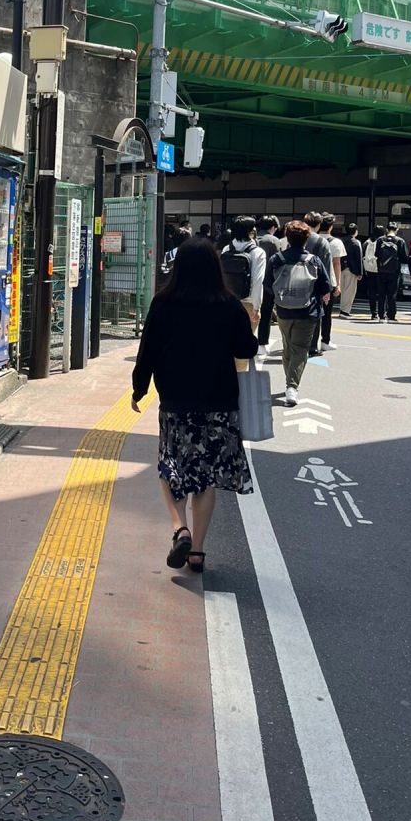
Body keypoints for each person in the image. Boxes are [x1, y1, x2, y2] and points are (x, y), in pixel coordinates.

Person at [131, 239, 257, 573]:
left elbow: (148, 351)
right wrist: (252, 323)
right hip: (219, 402)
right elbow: (247, 349)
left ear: (178, 268)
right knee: (206, 477)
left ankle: (179, 528)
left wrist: (138, 388)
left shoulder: (164, 302)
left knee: (171, 467)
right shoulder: (228, 304)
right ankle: (197, 551)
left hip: (176, 401)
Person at [265, 220, 332, 406]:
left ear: (287, 237)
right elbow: (325, 286)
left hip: (283, 310)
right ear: (306, 239)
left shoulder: (277, 259)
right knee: (301, 349)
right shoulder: (313, 260)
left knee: (288, 347)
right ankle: (292, 386)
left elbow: (268, 284)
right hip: (307, 311)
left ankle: (290, 382)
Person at [220, 216, 266, 333]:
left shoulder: (227, 249)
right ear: (249, 231)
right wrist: (256, 307)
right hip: (248, 301)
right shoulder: (258, 252)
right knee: (246, 341)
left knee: (229, 339)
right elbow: (258, 281)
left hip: (227, 300)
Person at [304, 212, 332, 356]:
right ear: (319, 224)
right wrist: (326, 289)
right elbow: (325, 267)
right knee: (315, 314)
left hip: (296, 281)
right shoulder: (322, 242)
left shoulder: (295, 236)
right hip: (314, 282)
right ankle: (312, 347)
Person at [315, 213, 343, 352]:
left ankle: (311, 342)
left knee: (313, 311)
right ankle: (325, 341)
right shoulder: (336, 242)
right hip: (329, 281)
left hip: (312, 279)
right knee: (327, 313)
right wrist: (338, 284)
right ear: (331, 227)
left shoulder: (312, 239)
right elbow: (337, 264)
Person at [255, 215, 283, 358]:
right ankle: (261, 343)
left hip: (249, 283)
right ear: (272, 227)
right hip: (267, 284)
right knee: (265, 314)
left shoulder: (252, 238)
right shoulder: (273, 241)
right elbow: (278, 264)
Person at [374, 222, 408, 322]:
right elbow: (404, 258)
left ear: (387, 229)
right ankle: (391, 315)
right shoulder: (400, 241)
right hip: (394, 271)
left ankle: (381, 315)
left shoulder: (380, 240)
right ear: (396, 230)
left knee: (381, 293)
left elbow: (376, 254)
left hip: (381, 270)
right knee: (392, 294)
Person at [338, 222, 363, 319]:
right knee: (350, 291)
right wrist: (360, 272)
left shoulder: (341, 241)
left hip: (341, 268)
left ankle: (342, 309)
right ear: (355, 232)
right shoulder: (356, 242)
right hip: (351, 269)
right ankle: (345, 311)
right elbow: (359, 258)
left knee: (343, 290)